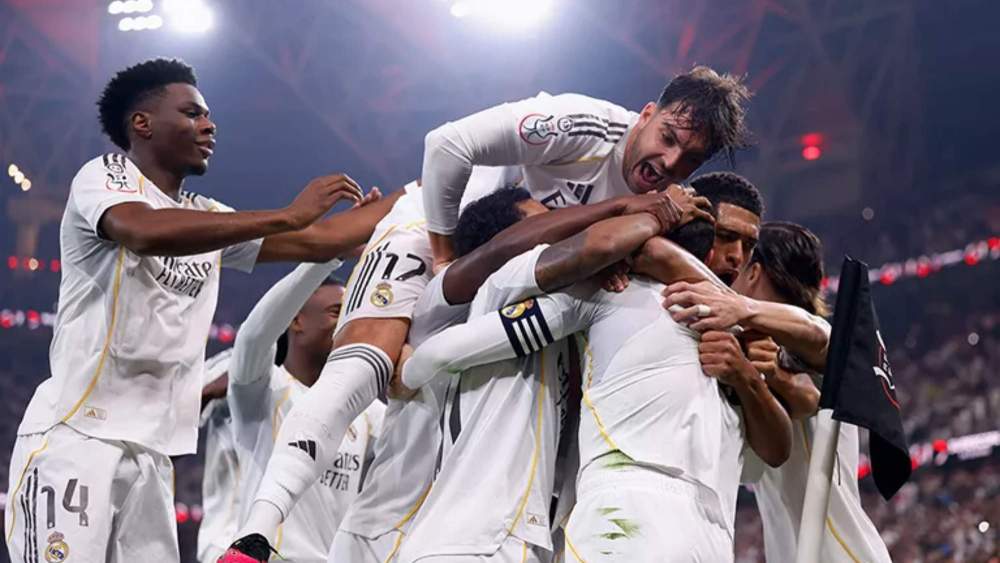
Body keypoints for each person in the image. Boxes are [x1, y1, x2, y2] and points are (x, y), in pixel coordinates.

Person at [4, 58, 396, 563]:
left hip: (152, 455)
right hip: (78, 436)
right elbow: (141, 231)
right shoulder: (104, 176)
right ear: (141, 123)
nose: (209, 125)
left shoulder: (207, 218)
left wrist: (422, 191)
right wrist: (288, 215)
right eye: (191, 113)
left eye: (208, 116)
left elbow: (322, 240)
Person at [225, 172, 709, 562]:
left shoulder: (554, 311)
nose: (563, 233)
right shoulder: (457, 295)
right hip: (406, 531)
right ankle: (255, 534)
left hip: (453, 529)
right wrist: (647, 214)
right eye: (547, 226)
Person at [400, 217, 792, 562]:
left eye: (747, 245)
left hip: (685, 524)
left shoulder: (737, 344)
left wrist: (405, 371)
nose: (736, 257)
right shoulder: (614, 290)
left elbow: (774, 452)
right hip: (639, 511)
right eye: (726, 238)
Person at [675, 222, 892, 562]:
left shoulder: (809, 343)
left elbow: (812, 376)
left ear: (755, 270)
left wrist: (747, 315)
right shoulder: (745, 351)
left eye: (743, 259)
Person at [421, 65, 752, 273]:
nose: (671, 162)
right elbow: (446, 145)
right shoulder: (581, 126)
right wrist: (443, 258)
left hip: (500, 273)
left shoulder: (672, 203)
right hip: (436, 227)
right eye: (667, 137)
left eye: (691, 159)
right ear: (647, 114)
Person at [218, 263, 384, 563]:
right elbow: (254, 337)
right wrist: (325, 256)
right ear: (296, 320)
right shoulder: (265, 391)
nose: (346, 324)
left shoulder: (364, 410)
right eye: (336, 312)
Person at [197, 349, 238, 563]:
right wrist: (208, 392)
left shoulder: (339, 378)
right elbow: (164, 439)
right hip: (227, 543)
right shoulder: (232, 361)